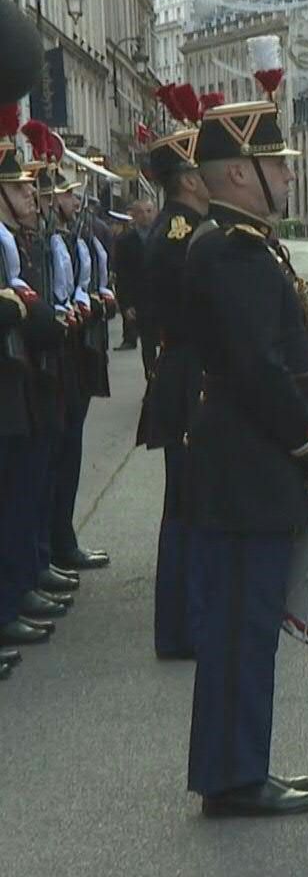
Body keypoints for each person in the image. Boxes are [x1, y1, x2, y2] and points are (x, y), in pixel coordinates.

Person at [182, 85, 308, 818]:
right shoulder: (230, 252)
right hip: (247, 468)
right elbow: (253, 370)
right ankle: (233, 778)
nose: (290, 176)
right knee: (241, 630)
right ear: (235, 174)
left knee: (246, 626)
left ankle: (235, 769)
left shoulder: (247, 246)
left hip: (247, 464)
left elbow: (274, 360)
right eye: (277, 166)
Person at [137, 85, 211, 659]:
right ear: (187, 179)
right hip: (188, 379)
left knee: (187, 504)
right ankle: (182, 628)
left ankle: (185, 622)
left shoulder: (179, 229)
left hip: (182, 373)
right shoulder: (182, 236)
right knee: (186, 507)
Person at [0, 113, 72, 664]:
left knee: (26, 488)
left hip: (21, 376)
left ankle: (20, 585)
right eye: (21, 186)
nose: (31, 193)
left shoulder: (17, 239)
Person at [39, 160, 111, 575]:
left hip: (74, 359)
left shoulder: (69, 237)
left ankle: (59, 542)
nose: (73, 200)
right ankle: (49, 549)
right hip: (51, 365)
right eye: (65, 194)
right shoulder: (41, 241)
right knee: (48, 467)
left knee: (66, 459)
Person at [114, 198, 154, 349]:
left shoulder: (162, 236)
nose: (145, 216)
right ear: (134, 216)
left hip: (160, 298)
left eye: (149, 211)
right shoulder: (125, 241)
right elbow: (122, 274)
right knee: (147, 343)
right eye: (141, 212)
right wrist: (126, 304)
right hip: (140, 299)